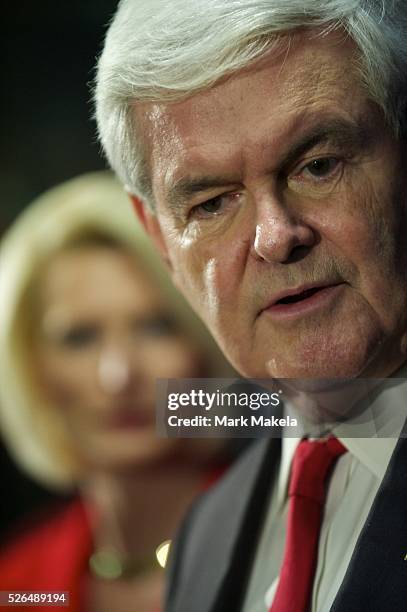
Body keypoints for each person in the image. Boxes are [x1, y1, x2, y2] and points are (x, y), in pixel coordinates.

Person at [94, 1, 407, 611]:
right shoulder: (203, 535)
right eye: (211, 203)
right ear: (159, 240)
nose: (275, 235)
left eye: (318, 166)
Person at [0, 172, 236, 612]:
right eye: (79, 338)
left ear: (205, 343)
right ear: (30, 369)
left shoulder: (295, 536)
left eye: (155, 327)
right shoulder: (15, 583)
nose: (119, 375)